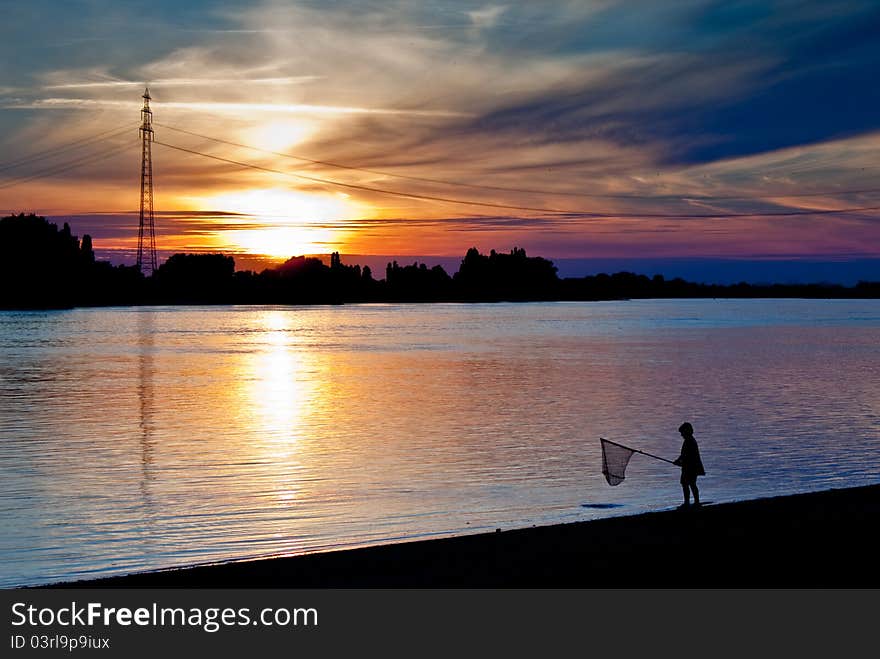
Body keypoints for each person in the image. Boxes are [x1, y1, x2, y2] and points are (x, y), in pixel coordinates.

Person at [673, 422, 705, 507]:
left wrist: (679, 461)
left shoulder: (689, 441)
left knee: (687, 483)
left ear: (686, 431)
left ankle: (690, 502)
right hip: (690, 466)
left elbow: (686, 455)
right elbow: (684, 455)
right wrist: (678, 461)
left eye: (682, 433)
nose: (681, 435)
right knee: (689, 483)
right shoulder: (690, 440)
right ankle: (694, 502)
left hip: (690, 467)